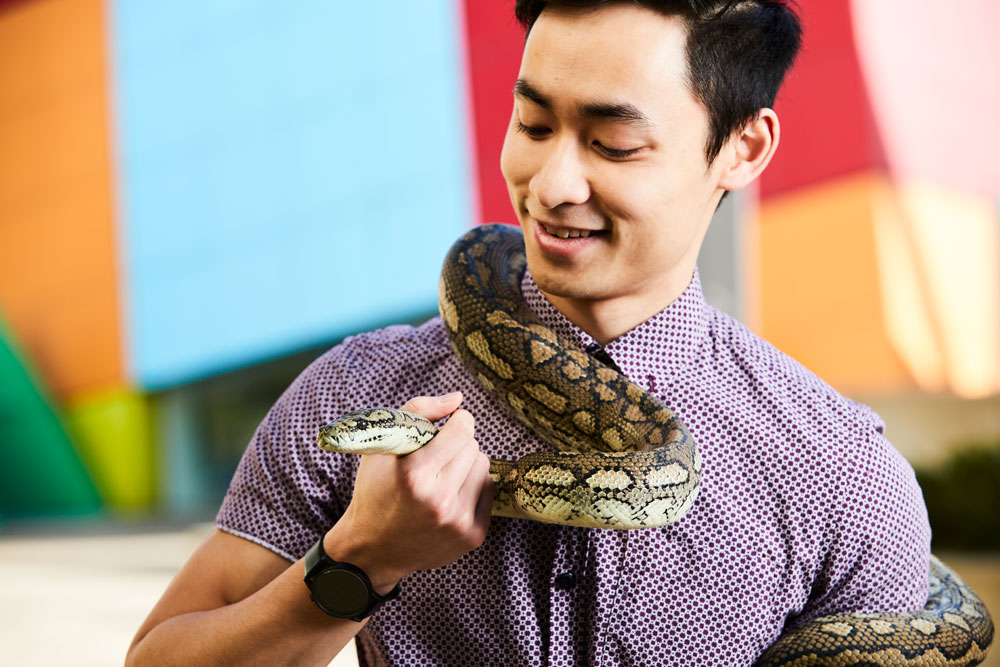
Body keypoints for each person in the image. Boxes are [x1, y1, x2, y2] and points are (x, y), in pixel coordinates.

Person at [126, 1, 931, 665]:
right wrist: (362, 558)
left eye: (614, 144)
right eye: (534, 124)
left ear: (742, 149)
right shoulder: (359, 388)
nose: (551, 185)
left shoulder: (843, 475)